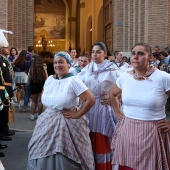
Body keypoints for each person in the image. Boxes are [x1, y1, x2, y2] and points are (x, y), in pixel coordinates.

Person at [28, 51, 95, 170]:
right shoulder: (49, 79)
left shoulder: (74, 80)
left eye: (61, 62)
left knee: (63, 155)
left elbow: (90, 99)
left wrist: (77, 114)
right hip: (47, 120)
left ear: (68, 64)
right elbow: (45, 97)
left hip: (66, 122)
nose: (57, 65)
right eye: (55, 62)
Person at [109, 42, 170, 170]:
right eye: (133, 53)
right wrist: (118, 113)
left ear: (150, 58)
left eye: (141, 53)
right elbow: (112, 94)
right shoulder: (125, 76)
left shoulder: (163, 78)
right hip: (127, 131)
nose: (135, 57)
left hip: (152, 132)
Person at [77, 42, 121, 170]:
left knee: (101, 138)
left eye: (98, 52)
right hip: (88, 108)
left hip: (103, 108)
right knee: (87, 135)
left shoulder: (112, 69)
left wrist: (114, 97)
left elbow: (124, 85)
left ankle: (103, 166)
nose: (95, 55)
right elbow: (77, 83)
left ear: (105, 54)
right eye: (93, 52)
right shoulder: (88, 67)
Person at [0, 29, 15, 157]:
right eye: (5, 47)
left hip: (5, 89)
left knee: (4, 112)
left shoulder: (4, 60)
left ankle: (4, 131)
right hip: (1, 89)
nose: (8, 48)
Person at [29, 55, 48, 120]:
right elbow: (46, 77)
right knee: (40, 101)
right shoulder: (43, 67)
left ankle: (32, 115)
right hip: (41, 84)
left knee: (33, 101)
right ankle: (39, 115)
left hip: (33, 84)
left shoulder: (32, 67)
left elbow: (29, 77)